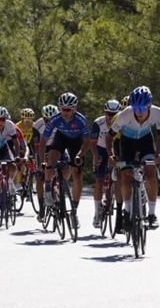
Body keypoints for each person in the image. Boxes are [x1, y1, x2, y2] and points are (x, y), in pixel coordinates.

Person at [108, 85, 160, 231]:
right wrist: (111, 155)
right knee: (125, 176)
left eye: (142, 108)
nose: (138, 112)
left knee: (150, 175)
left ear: (150, 105)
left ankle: (152, 214)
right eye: (135, 108)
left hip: (146, 140)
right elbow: (109, 136)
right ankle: (127, 210)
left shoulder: (158, 113)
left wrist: (157, 154)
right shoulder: (125, 115)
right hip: (127, 142)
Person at [43, 92, 90, 227]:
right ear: (59, 108)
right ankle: (48, 189)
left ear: (74, 109)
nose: (65, 112)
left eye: (68, 109)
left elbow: (87, 142)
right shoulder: (55, 119)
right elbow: (43, 140)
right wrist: (42, 160)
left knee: (77, 174)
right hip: (61, 138)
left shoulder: (81, 120)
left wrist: (79, 155)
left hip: (77, 141)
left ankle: (74, 212)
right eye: (62, 109)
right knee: (51, 160)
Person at [90, 99, 120, 228]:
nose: (110, 117)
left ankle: (113, 198)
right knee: (99, 180)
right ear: (105, 113)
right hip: (100, 150)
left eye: (114, 114)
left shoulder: (122, 121)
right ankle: (97, 213)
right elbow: (92, 142)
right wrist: (96, 156)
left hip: (116, 149)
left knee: (120, 178)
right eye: (108, 113)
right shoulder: (98, 123)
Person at [31, 104, 57, 214]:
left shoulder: (60, 123)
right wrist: (42, 161)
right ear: (43, 118)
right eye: (47, 120)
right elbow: (37, 146)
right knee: (40, 176)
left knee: (64, 166)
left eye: (52, 120)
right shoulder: (37, 125)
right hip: (42, 147)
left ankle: (57, 187)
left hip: (55, 146)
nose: (49, 122)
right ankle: (41, 207)